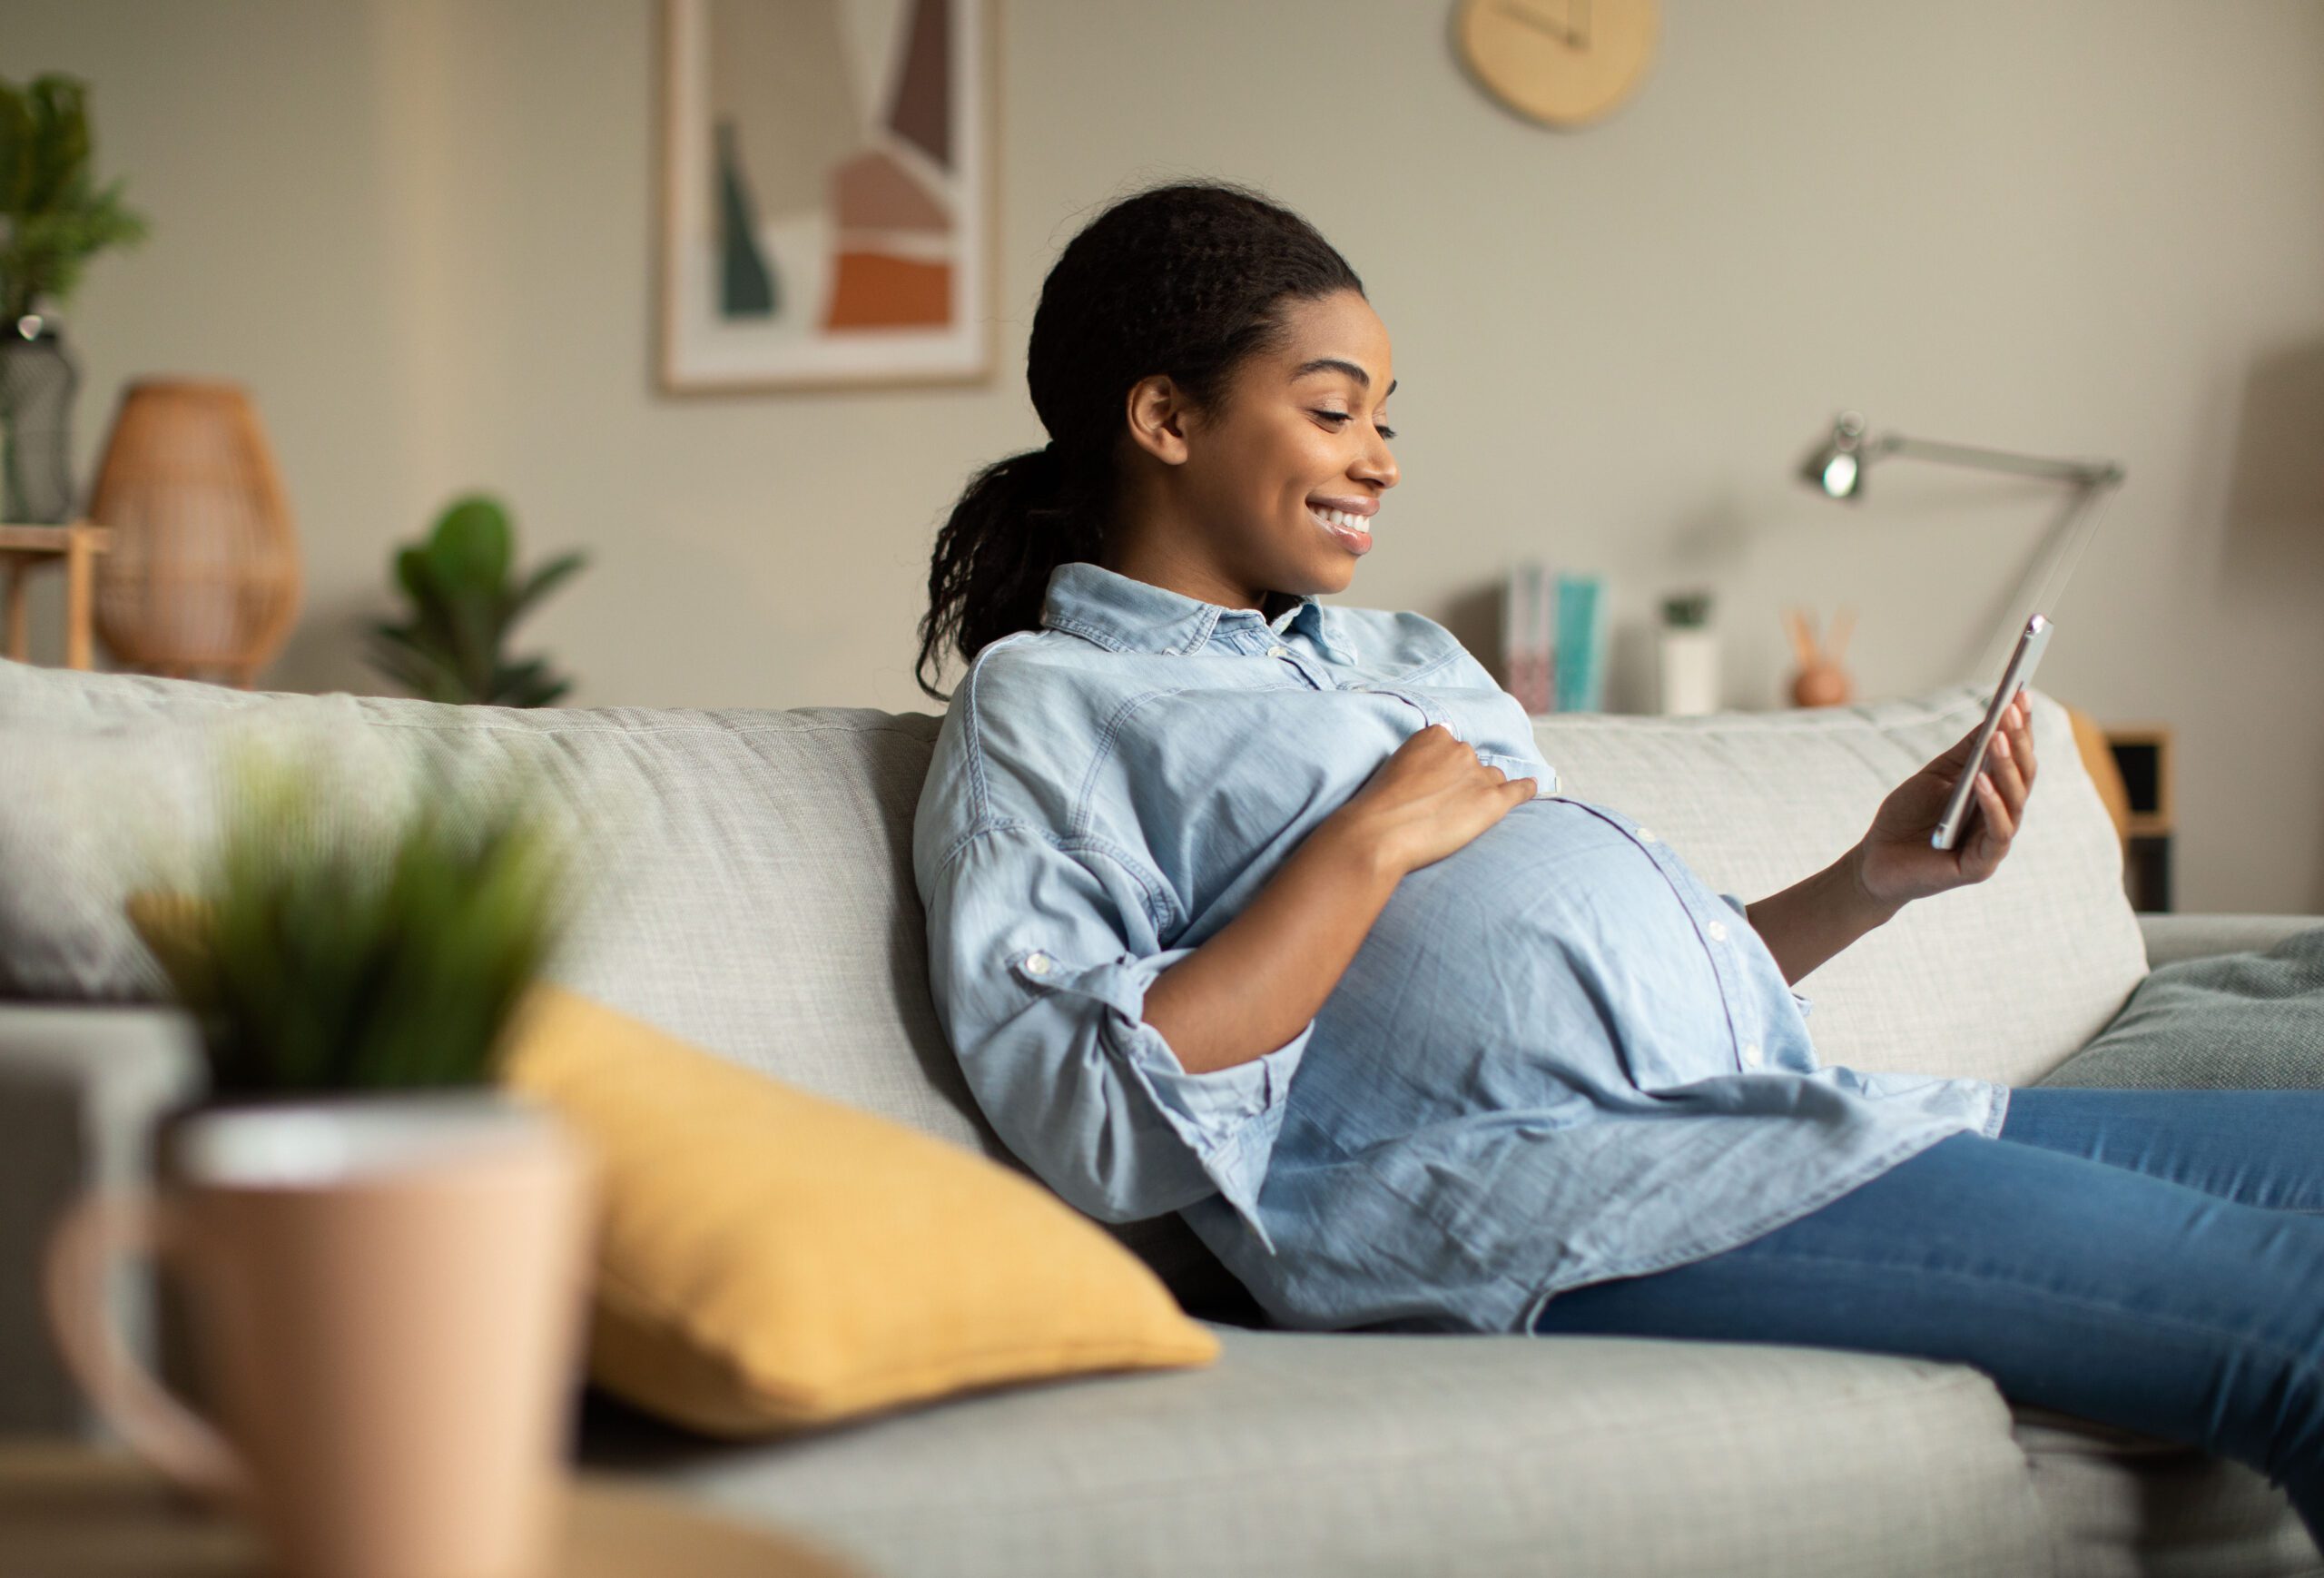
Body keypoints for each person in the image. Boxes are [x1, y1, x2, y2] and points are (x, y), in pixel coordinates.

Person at [908, 177, 2324, 1539]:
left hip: (1762, 1110)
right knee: (2295, 1322)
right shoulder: (1049, 704)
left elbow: (1598, 1003)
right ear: (1164, 414)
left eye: (1386, 418)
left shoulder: (1404, 660)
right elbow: (1095, 1120)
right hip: (1560, 1198)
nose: (1382, 459)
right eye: (1334, 410)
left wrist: (1874, 877)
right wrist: (1365, 843)